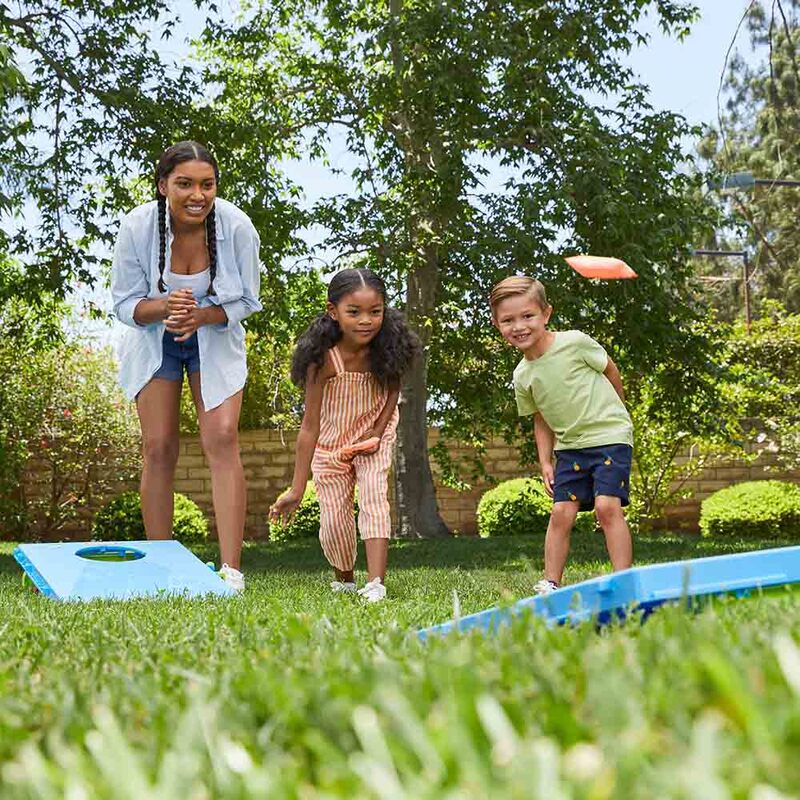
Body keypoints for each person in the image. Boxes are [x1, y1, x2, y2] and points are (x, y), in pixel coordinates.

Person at [111, 141, 262, 592]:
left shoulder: (237, 228)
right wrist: (163, 308)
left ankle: (231, 569)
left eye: (206, 184)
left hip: (214, 340)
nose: (197, 194)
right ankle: (160, 566)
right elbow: (123, 304)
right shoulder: (137, 227)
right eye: (185, 184)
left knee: (222, 437)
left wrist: (201, 315)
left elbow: (249, 300)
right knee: (159, 447)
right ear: (163, 186)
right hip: (155, 342)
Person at [269, 268, 420, 602]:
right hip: (331, 443)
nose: (366, 320)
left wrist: (377, 434)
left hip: (372, 434)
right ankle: (345, 578)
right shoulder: (323, 361)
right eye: (354, 312)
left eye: (375, 311)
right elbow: (309, 426)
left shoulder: (389, 348)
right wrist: (297, 488)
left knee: (373, 496)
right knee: (335, 521)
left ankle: (376, 582)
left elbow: (393, 393)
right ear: (333, 311)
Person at [489, 276, 633, 594]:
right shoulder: (522, 375)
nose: (519, 326)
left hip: (610, 436)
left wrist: (619, 411)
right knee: (560, 512)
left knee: (607, 507)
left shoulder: (574, 343)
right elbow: (540, 417)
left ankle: (624, 578)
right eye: (508, 320)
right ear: (497, 324)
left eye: (528, 316)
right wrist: (545, 460)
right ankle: (550, 582)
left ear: (546, 314)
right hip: (570, 447)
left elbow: (610, 369)